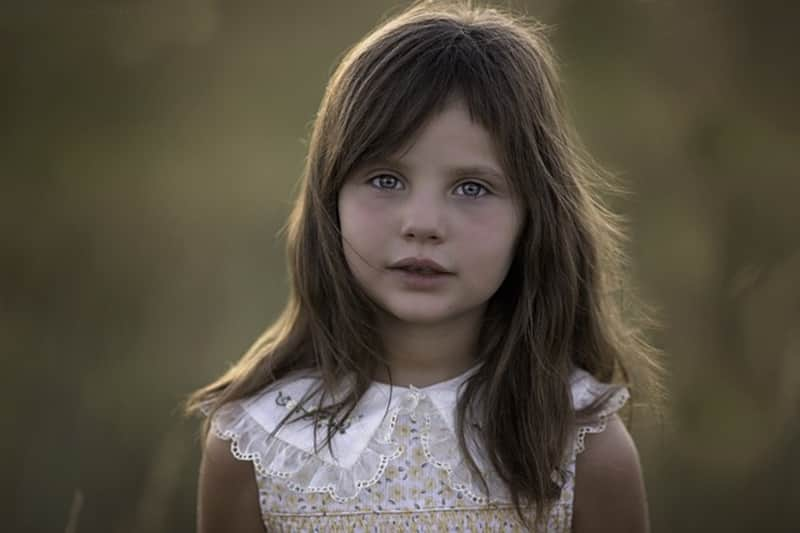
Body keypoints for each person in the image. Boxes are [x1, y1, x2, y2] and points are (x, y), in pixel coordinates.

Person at [186, 1, 662, 531]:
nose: (424, 223)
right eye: (386, 180)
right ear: (330, 198)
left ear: (533, 216)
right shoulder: (254, 444)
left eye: (472, 187)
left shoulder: (582, 446)